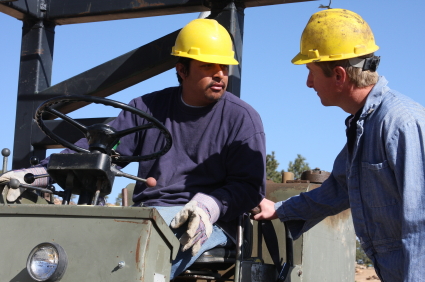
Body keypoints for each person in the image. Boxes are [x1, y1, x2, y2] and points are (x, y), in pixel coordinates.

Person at [1, 19, 266, 279]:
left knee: (131, 255)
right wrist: (33, 175)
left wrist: (209, 206)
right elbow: (100, 151)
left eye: (224, 66)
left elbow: (250, 186)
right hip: (149, 215)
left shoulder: (241, 118)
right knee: (79, 236)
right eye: (208, 65)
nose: (219, 74)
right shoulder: (147, 108)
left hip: (210, 223)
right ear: (182, 70)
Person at [253, 8, 425, 282]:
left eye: (311, 71)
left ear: (339, 75)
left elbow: (420, 227)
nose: (308, 83)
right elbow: (339, 189)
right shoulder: (364, 125)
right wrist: (280, 210)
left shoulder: (400, 124)